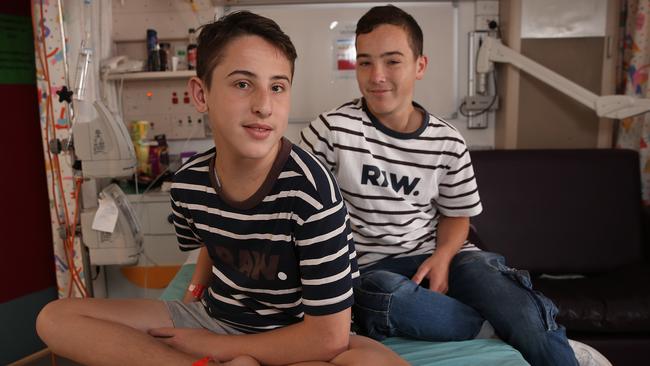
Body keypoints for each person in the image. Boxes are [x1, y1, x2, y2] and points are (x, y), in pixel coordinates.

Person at [36, 11, 406, 366]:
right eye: (243, 84)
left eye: (277, 87)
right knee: (55, 318)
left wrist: (217, 345)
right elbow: (212, 245)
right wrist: (194, 298)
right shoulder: (189, 183)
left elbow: (329, 337)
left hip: (296, 338)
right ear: (201, 94)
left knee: (372, 360)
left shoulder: (311, 192)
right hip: (216, 318)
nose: (263, 105)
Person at [300, 5, 611, 366]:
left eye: (392, 61)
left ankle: (547, 344)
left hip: (440, 255)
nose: (377, 76)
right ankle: (494, 329)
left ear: (420, 66)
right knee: (381, 293)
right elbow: (304, 211)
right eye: (365, 62)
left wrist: (442, 259)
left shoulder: (447, 141)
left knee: (502, 289)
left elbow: (457, 215)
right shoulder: (330, 131)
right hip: (370, 268)